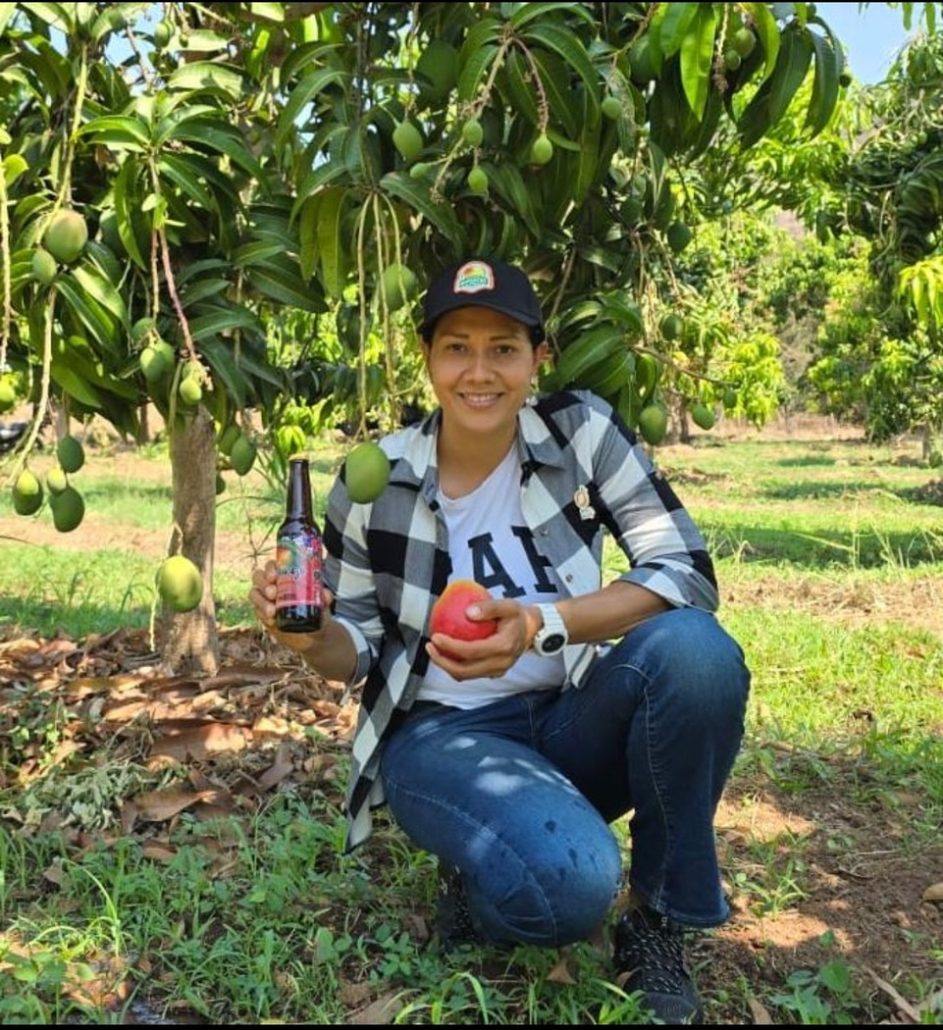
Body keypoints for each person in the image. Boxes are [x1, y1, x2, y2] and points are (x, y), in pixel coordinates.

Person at [249, 257, 751, 1025]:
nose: (478, 372)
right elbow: (355, 651)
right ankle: (476, 880)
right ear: (426, 358)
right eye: (456, 347)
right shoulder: (375, 479)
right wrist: (310, 637)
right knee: (569, 890)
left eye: (503, 348)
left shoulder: (580, 434)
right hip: (439, 740)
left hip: (570, 714)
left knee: (696, 653)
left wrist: (542, 624)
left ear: (536, 358)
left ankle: (657, 922)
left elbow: (684, 569)